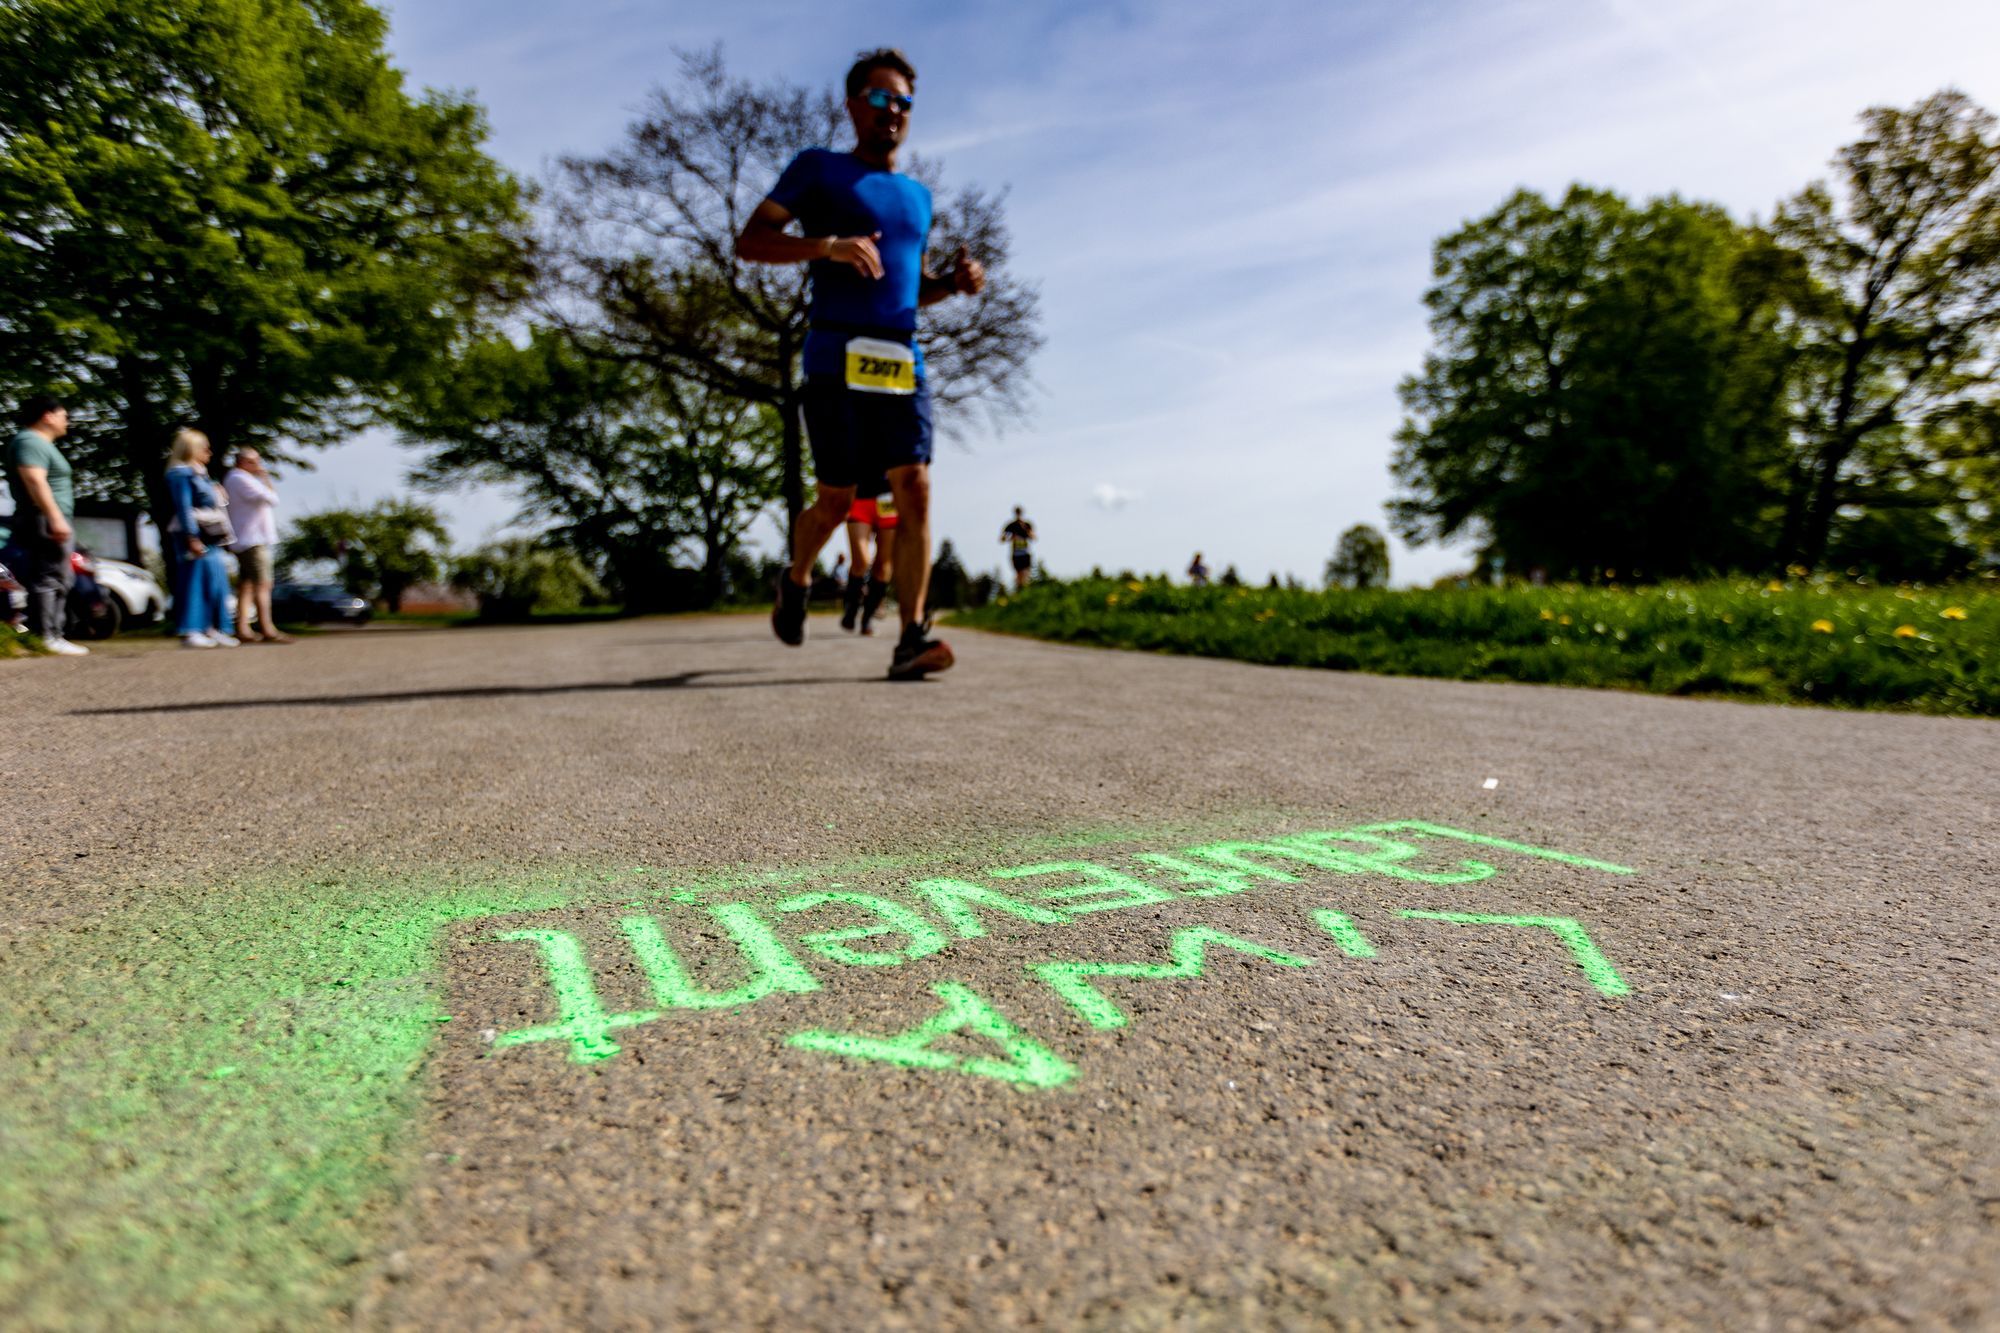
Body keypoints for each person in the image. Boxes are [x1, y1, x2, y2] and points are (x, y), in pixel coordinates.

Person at [736, 47, 986, 680]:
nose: (892, 110)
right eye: (879, 98)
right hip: (834, 354)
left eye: (902, 100)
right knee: (837, 498)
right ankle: (795, 579)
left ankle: (911, 637)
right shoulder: (819, 171)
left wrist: (951, 285)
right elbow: (751, 240)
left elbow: (906, 285)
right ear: (852, 105)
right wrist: (826, 247)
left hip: (902, 359)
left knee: (916, 489)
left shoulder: (917, 196)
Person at [4, 395, 87, 654]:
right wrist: (55, 517)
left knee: (59, 576)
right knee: (50, 576)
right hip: (43, 517)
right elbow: (35, 481)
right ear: (47, 415)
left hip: (48, 516)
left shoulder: (37, 443)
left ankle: (52, 634)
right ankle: (47, 635)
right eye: (64, 415)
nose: (67, 421)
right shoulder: (30, 441)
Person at [164, 429, 239, 649]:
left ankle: (213, 627)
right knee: (195, 581)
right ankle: (191, 629)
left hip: (210, 535)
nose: (209, 452)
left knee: (215, 581)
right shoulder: (181, 474)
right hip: (196, 534)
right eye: (204, 447)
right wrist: (191, 536)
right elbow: (184, 507)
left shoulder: (201, 474)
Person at [223, 448, 289, 643]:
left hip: (248, 538)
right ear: (243, 462)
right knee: (263, 583)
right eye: (255, 461)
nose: (259, 465)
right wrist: (265, 479)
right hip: (251, 539)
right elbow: (271, 498)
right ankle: (267, 627)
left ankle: (243, 627)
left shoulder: (239, 478)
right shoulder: (239, 479)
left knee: (248, 584)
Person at [841, 484, 897, 634]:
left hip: (888, 500)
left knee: (882, 566)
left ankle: (867, 618)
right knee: (861, 561)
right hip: (859, 497)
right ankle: (851, 608)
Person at [999, 506, 1036, 591]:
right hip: (1016, 554)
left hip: (1025, 553)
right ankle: (1019, 591)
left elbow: (1033, 537)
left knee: (1026, 574)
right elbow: (1001, 539)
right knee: (1018, 575)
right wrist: (1011, 538)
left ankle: (1025, 591)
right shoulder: (1011, 526)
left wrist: (1025, 530)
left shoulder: (1026, 525)